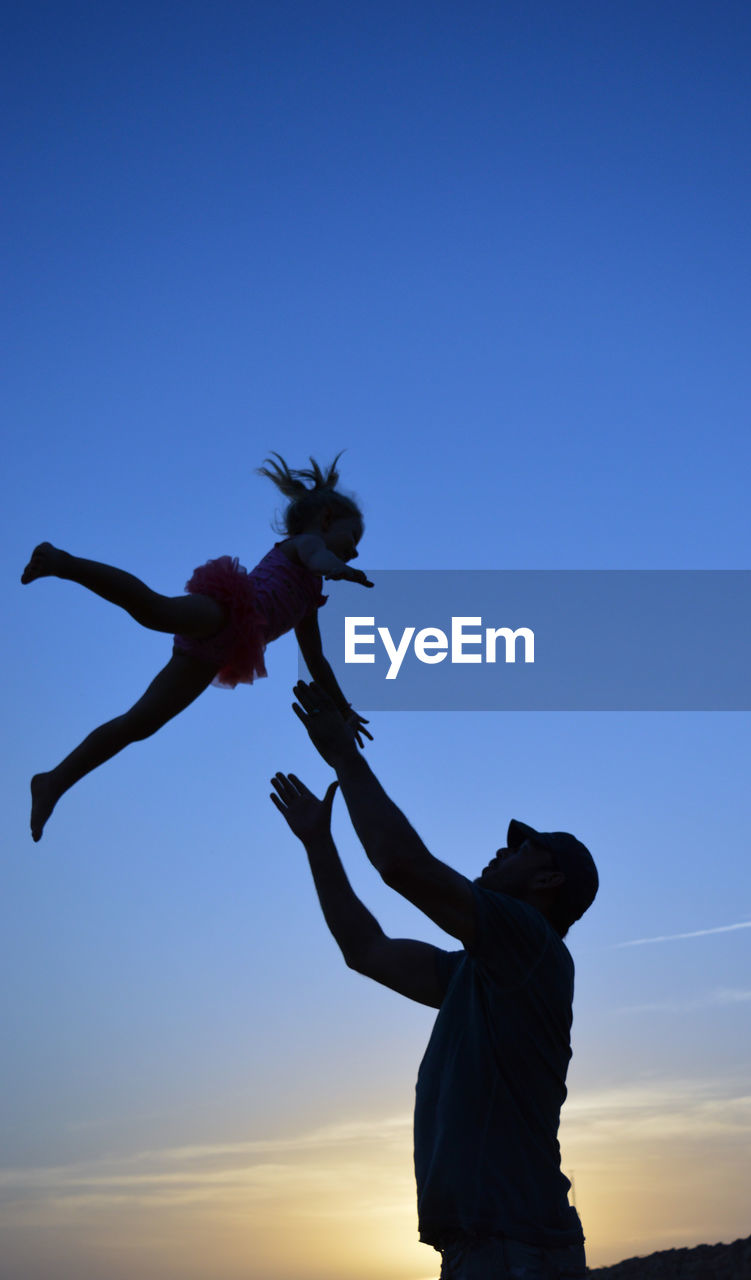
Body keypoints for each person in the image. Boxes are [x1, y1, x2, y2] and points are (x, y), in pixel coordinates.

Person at [270, 680, 599, 1280]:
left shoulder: (529, 940)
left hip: (518, 1251)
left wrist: (345, 755)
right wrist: (320, 843)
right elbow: (365, 949)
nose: (503, 851)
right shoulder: (479, 971)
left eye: (523, 848)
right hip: (490, 1247)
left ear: (548, 883)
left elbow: (402, 865)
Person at [22, 454, 372, 841]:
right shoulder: (303, 546)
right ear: (325, 521)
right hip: (227, 609)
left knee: (140, 723)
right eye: (351, 539)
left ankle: (54, 781)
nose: (354, 551)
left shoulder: (311, 598)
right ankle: (63, 562)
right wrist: (341, 569)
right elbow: (320, 557)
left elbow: (316, 659)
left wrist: (343, 707)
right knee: (157, 610)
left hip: (222, 652)